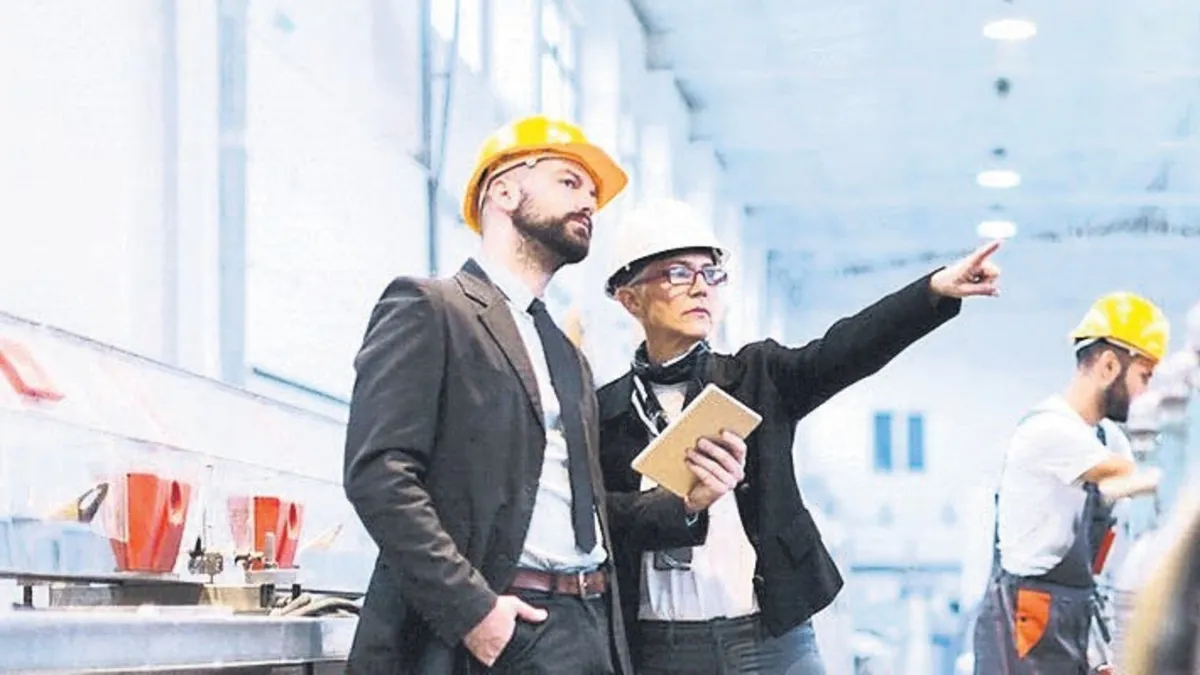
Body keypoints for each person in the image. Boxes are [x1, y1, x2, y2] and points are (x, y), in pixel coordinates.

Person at [341, 116, 747, 675]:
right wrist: (474, 612)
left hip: (589, 623)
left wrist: (685, 504)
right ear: (504, 192)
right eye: (569, 182)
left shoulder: (566, 355)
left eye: (593, 194)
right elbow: (380, 474)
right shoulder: (431, 309)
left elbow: (587, 508)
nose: (589, 202)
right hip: (501, 621)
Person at [596, 198, 1003, 675]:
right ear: (630, 299)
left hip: (770, 641)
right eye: (678, 274)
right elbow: (600, 519)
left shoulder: (757, 376)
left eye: (711, 273)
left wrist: (932, 291)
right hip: (659, 651)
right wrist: (678, 506)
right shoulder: (602, 411)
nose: (701, 287)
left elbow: (845, 350)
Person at [973, 291, 1170, 674]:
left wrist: (1100, 656)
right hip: (1026, 623)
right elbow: (1131, 478)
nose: (1148, 394)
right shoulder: (1049, 430)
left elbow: (1124, 498)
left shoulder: (1108, 439)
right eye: (1145, 377)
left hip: (1071, 616)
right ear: (1109, 366)